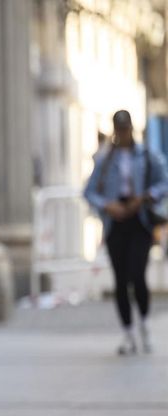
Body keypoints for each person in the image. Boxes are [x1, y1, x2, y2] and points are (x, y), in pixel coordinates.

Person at [84, 109, 168, 354]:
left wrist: (144, 198)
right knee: (121, 279)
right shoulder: (104, 159)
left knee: (137, 275)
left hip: (139, 221)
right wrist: (107, 205)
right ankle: (128, 333)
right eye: (119, 129)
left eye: (126, 129)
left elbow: (164, 182)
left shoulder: (147, 155)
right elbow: (89, 191)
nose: (122, 133)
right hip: (115, 222)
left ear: (132, 128)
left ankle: (144, 325)